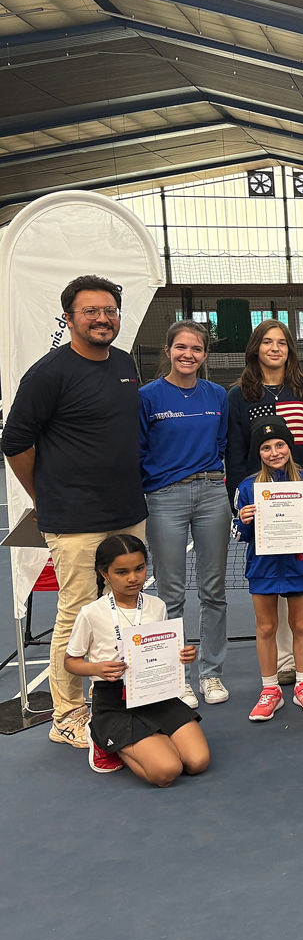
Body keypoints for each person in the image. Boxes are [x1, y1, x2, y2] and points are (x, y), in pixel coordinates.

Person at [2, 274, 148, 749]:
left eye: (110, 310)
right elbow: (15, 442)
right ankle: (66, 714)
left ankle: (131, 689)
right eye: (91, 311)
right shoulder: (48, 373)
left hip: (127, 509)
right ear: (69, 318)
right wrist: (44, 495)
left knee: (129, 605)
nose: (103, 318)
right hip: (74, 517)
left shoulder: (125, 363)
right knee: (78, 611)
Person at [226, 318, 303, 686]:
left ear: (290, 349)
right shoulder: (239, 395)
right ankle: (284, 662)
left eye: (282, 343)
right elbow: (237, 453)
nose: (275, 348)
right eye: (267, 342)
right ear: (255, 348)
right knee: (272, 588)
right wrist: (240, 506)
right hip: (265, 510)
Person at [64, 534, 209, 783]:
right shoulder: (91, 613)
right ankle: (102, 737)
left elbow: (164, 651)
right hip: (114, 703)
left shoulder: (157, 605)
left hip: (156, 696)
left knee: (197, 762)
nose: (133, 578)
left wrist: (183, 654)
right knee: (166, 771)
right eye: (122, 572)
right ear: (105, 574)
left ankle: (151, 740)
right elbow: (70, 661)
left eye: (139, 568)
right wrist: (96, 667)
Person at [138, 321, 230, 708]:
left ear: (205, 355)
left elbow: (222, 441)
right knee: (170, 593)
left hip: (213, 494)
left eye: (195, 349)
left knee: (214, 591)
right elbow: (139, 448)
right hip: (164, 498)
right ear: (168, 350)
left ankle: (210, 675)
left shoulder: (218, 395)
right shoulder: (147, 397)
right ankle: (176, 678)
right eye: (181, 347)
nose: (188, 355)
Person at [232, 418, 303, 722]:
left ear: (289, 447)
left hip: (298, 565)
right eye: (266, 447)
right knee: (265, 628)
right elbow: (238, 533)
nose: (274, 452)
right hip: (262, 568)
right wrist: (244, 520)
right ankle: (270, 689)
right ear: (258, 452)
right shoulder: (248, 487)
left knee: (301, 625)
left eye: (279, 445)